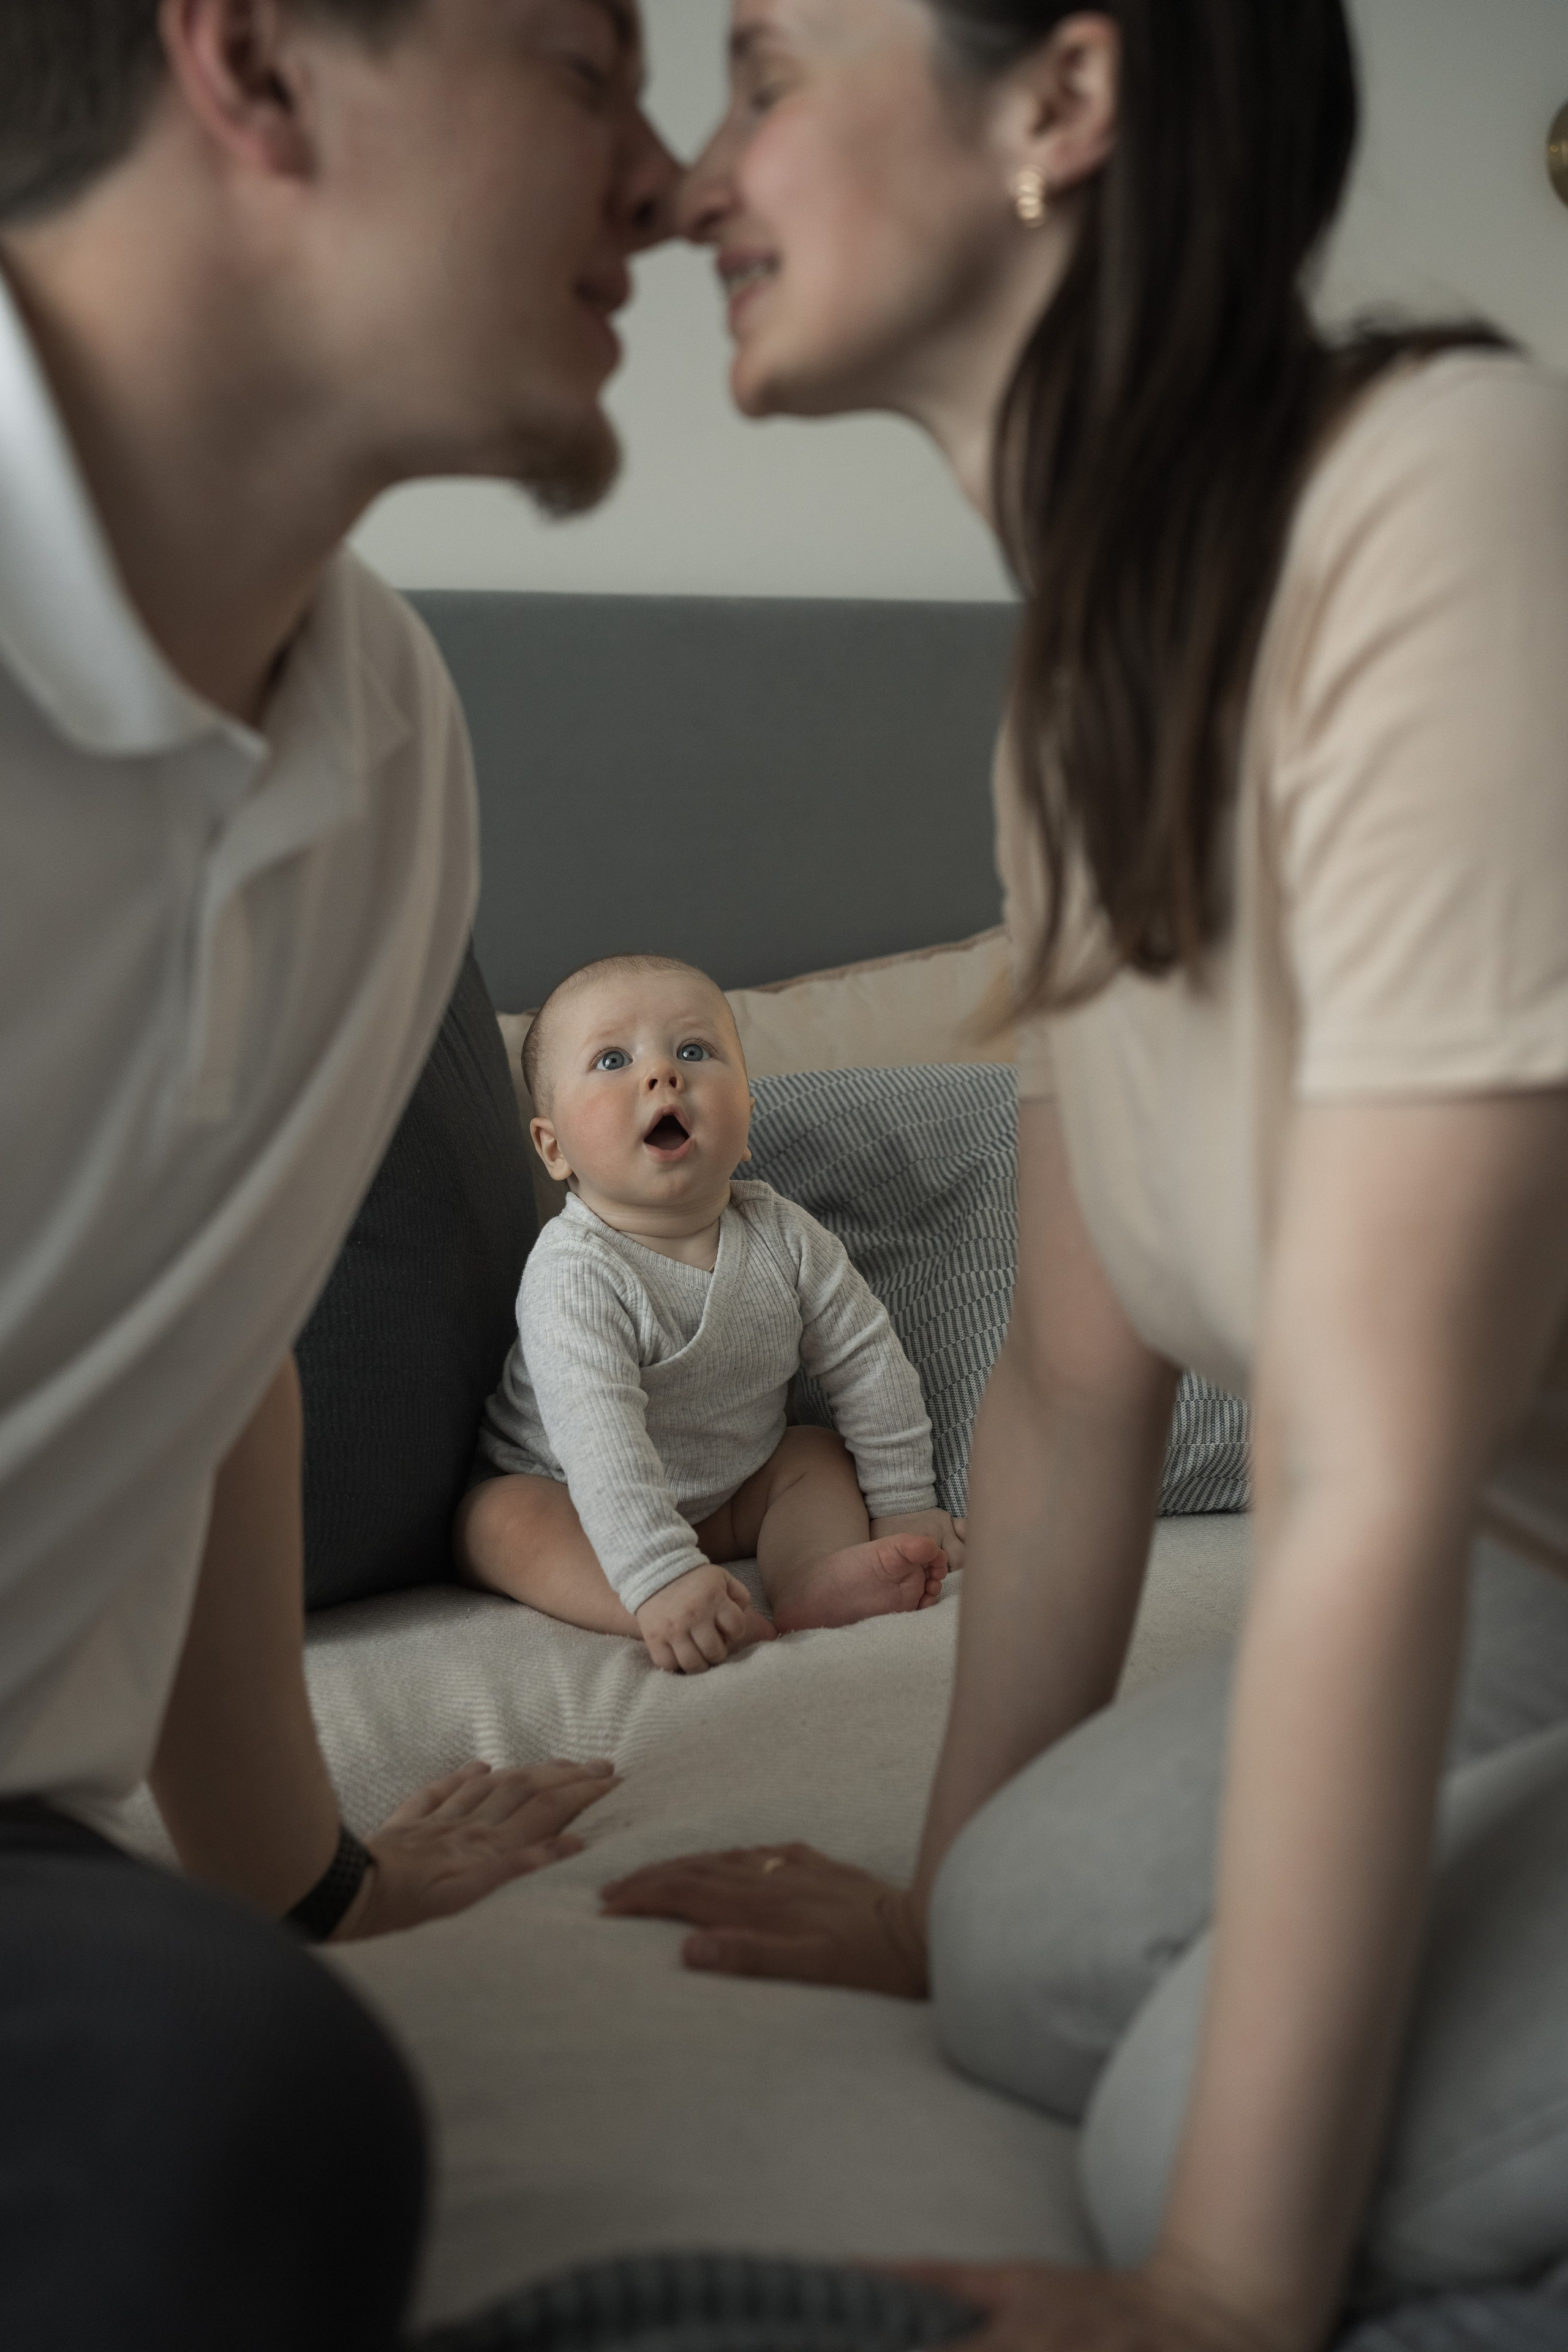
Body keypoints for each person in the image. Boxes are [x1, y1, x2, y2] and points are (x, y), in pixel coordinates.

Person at [600, 3, 1568, 2346]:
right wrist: (935, 1901)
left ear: (1059, 95)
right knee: (1019, 1953)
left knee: (1175, 2147)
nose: (690, 181)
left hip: (1452, 1529)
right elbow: (1062, 1381)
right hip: (1528, 1578)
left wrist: (1217, 2286)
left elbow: (1363, 1461)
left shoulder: (1443, 501)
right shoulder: (1079, 701)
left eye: (762, 80)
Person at [0, 2, 680, 2344]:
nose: (667, 177)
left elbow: (210, 1359)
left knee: (249, 2107)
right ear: (257, 65)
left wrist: (303, 1887)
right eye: (585, 68)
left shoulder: (387, 753)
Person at [459, 953, 961, 1670]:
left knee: (815, 1454)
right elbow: (598, 1440)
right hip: (568, 1493)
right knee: (496, 1522)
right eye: (612, 1059)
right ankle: (663, 1607)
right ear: (554, 1147)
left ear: (747, 1119)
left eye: (693, 1051)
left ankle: (813, 1577)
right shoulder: (573, 1272)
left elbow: (867, 1363)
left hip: (734, 1488)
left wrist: (905, 1501)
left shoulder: (787, 1238)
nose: (663, 1074)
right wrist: (659, 1571)